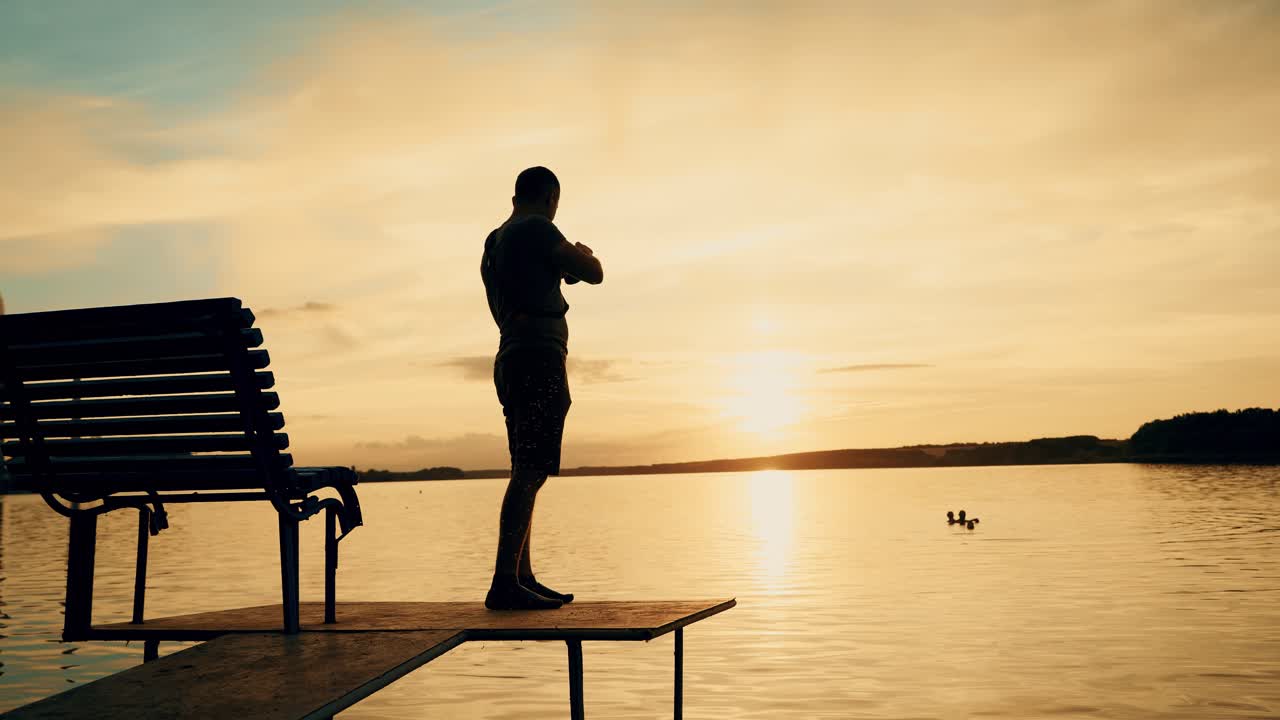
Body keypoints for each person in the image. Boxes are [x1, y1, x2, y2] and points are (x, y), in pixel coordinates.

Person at [481, 166, 603, 610]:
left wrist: (556, 269)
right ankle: (504, 581)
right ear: (550, 197)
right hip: (538, 357)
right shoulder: (536, 227)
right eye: (556, 202)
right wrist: (580, 254)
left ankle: (520, 575)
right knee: (530, 472)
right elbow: (593, 273)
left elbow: (528, 280)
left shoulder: (495, 242)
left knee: (525, 469)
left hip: (511, 357)